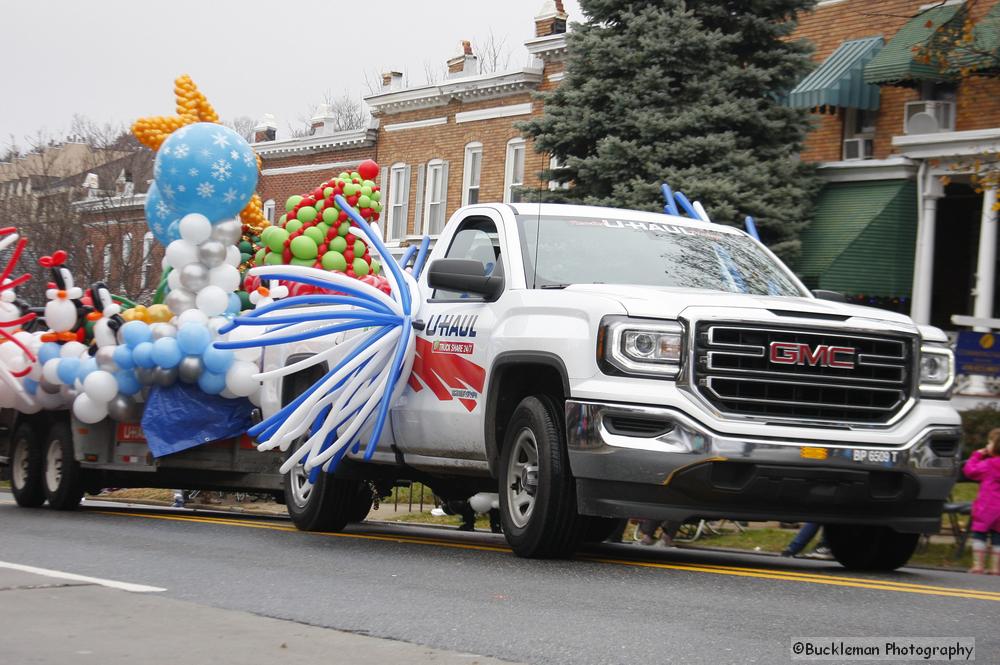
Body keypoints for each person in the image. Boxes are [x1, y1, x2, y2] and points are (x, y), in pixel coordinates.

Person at [963, 429, 1000, 575]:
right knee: (998, 537)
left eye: (989, 442)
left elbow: (970, 471)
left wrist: (976, 455)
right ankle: (996, 568)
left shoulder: (989, 465)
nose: (987, 445)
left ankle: (978, 566)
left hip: (986, 507)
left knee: (980, 534)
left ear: (995, 446)